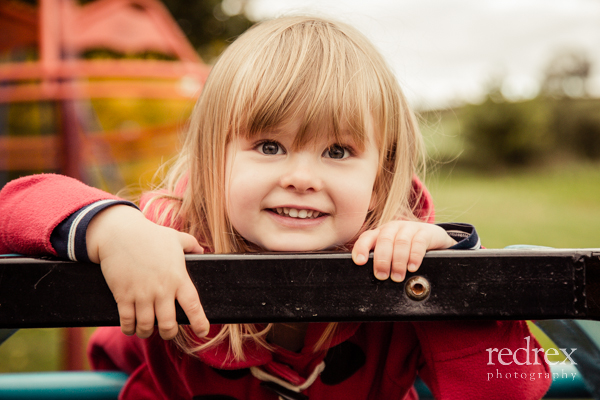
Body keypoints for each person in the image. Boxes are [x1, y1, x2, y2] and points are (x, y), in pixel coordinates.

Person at [0, 16, 550, 400]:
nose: (301, 178)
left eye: (337, 152)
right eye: (269, 146)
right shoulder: (171, 229)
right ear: (213, 159)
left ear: (381, 182)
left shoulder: (401, 265)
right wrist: (113, 228)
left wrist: (446, 282)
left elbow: (511, 388)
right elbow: (15, 205)